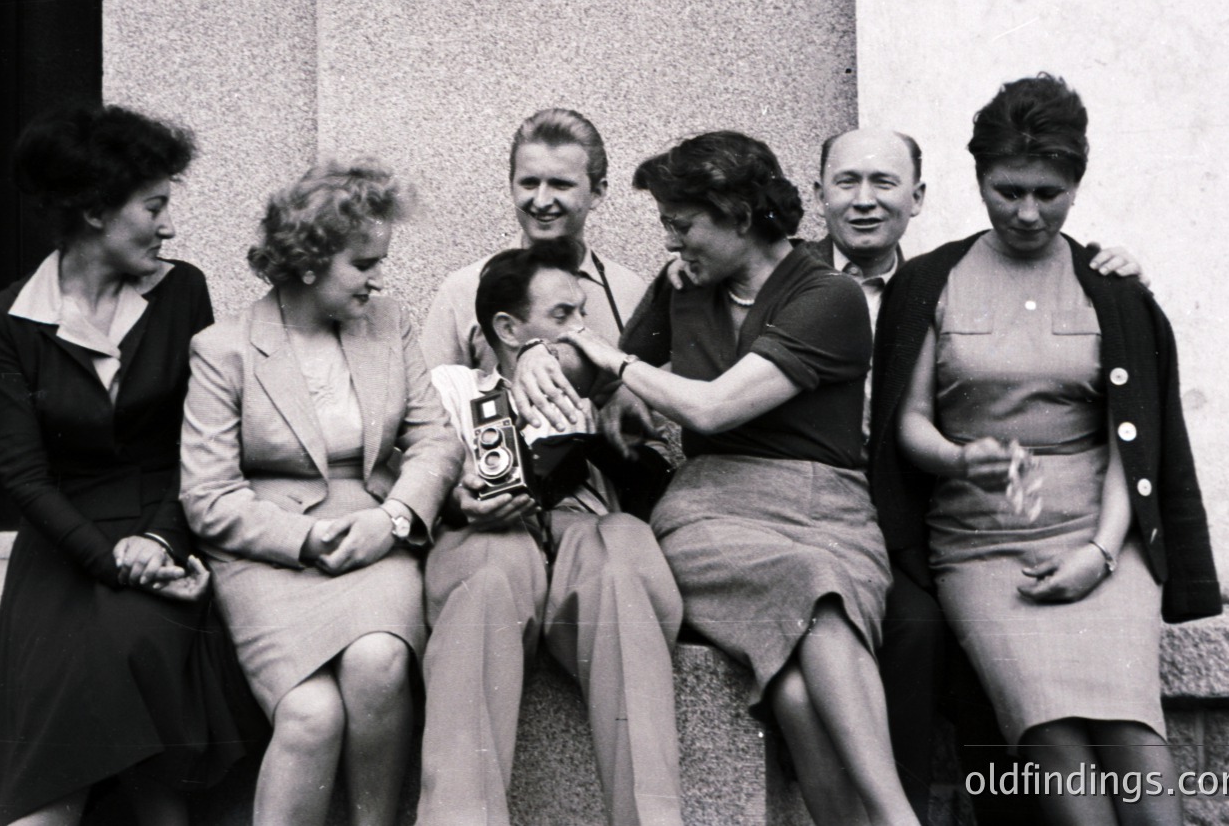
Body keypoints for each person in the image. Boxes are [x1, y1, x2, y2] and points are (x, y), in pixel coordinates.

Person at [869, 74, 1221, 826]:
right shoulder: (933, 280)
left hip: (1102, 542)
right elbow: (908, 424)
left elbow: (1137, 444)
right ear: (978, 179)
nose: (1026, 211)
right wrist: (962, 459)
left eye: (1047, 192)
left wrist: (1098, 551)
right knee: (1054, 742)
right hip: (983, 548)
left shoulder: (1109, 286)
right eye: (1007, 190)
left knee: (1134, 740)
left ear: (1075, 184)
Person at [558, 131, 919, 826]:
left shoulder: (830, 295)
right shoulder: (680, 290)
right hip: (709, 511)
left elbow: (712, 404)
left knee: (794, 683)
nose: (670, 242)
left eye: (682, 223)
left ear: (741, 216)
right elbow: (619, 379)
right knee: (811, 584)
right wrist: (568, 366)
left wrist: (615, 364)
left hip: (827, 511)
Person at [0, 106, 263, 826]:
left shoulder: (181, 290)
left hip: (165, 528)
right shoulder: (4, 321)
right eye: (154, 206)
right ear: (94, 210)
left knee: (139, 648)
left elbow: (200, 441)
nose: (168, 225)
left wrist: (160, 543)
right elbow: (25, 476)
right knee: (72, 698)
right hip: (67, 550)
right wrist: (111, 561)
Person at [179, 159, 462, 826]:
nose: (377, 276)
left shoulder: (387, 323)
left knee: (379, 661)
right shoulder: (224, 350)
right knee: (310, 713)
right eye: (362, 262)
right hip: (269, 552)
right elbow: (208, 496)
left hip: (373, 536)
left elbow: (436, 442)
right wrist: (304, 538)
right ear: (308, 262)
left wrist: (392, 519)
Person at [418, 239, 683, 826]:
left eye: (584, 313)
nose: (581, 330)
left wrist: (613, 402)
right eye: (563, 317)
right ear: (510, 329)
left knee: (619, 554)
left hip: (582, 542)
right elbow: (417, 471)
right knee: (488, 575)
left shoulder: (600, 387)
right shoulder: (450, 387)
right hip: (488, 540)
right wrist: (459, 498)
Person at [421, 108, 645, 373]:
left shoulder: (631, 293)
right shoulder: (463, 290)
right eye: (528, 183)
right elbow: (431, 405)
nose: (541, 201)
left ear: (597, 192)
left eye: (560, 184)